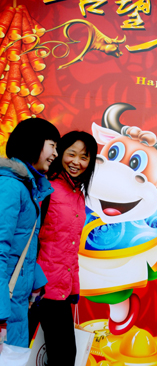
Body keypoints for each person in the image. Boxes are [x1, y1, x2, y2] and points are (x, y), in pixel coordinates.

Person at [37, 131, 97, 366]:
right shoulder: (47, 189)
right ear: (59, 153)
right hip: (37, 289)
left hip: (60, 290)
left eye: (84, 157)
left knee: (61, 356)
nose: (76, 162)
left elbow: (70, 247)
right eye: (71, 154)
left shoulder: (78, 195)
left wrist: (74, 287)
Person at [0, 118, 60, 351]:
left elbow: (24, 245)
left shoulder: (28, 187)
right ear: (33, 142)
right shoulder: (11, 186)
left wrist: (36, 283)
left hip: (15, 304)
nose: (56, 153)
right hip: (7, 309)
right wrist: (1, 315)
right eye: (52, 145)